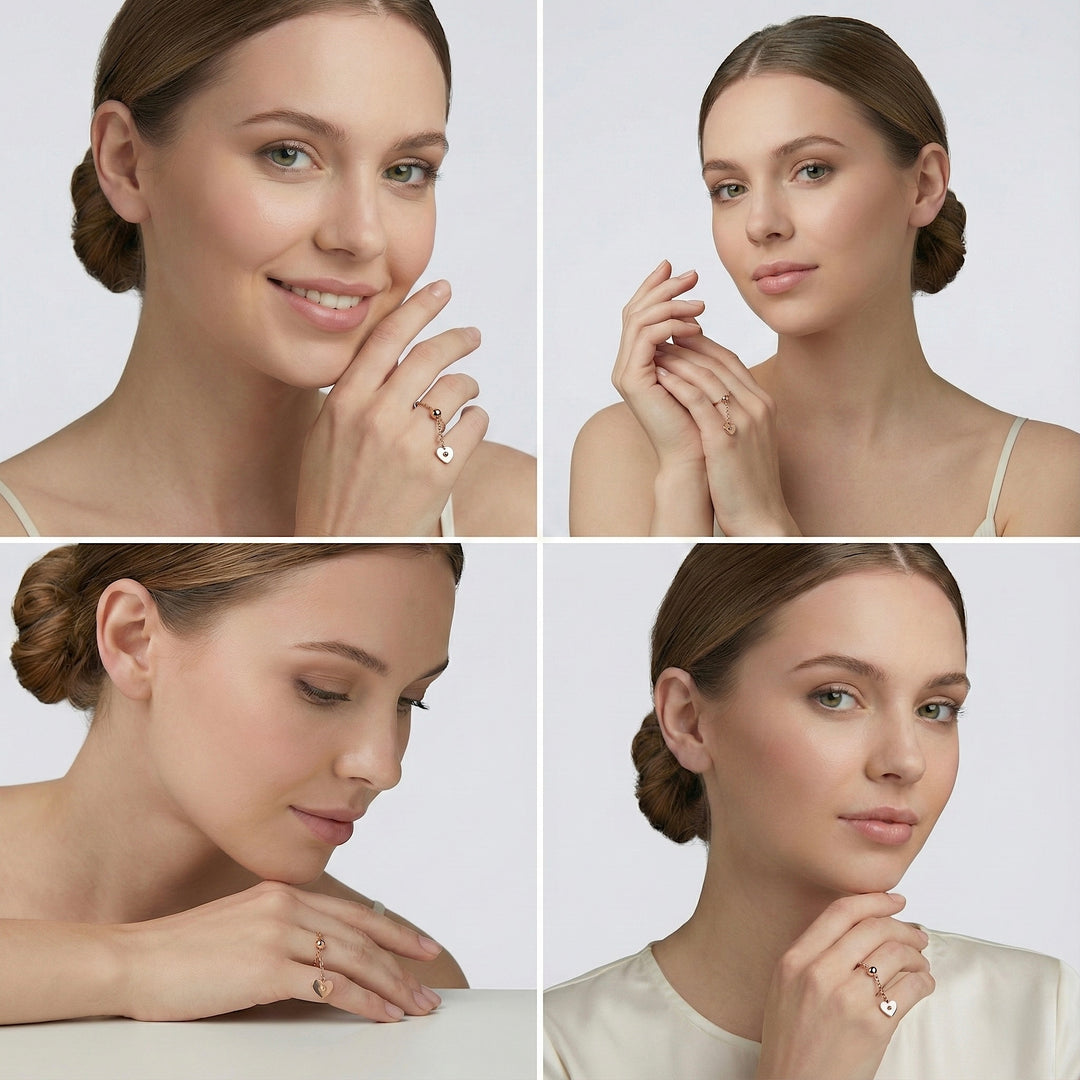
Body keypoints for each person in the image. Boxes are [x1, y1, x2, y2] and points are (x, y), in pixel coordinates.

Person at [0, 0, 535, 538]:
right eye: (288, 155)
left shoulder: (516, 508)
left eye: (405, 170)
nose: (362, 236)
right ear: (126, 162)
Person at [544, 543, 1080, 1079]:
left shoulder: (1046, 1019)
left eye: (935, 709)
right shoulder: (554, 1050)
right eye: (835, 697)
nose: (906, 760)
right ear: (688, 720)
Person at [569, 16, 1080, 537]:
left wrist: (758, 519)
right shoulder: (629, 449)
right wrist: (683, 477)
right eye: (730, 188)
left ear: (924, 185)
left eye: (811, 170)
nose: (761, 224)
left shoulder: (1046, 477)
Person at [0, 542, 471, 1024]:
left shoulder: (400, 986)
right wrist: (139, 965)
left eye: (410, 700)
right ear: (133, 639)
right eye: (322, 689)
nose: (383, 767)